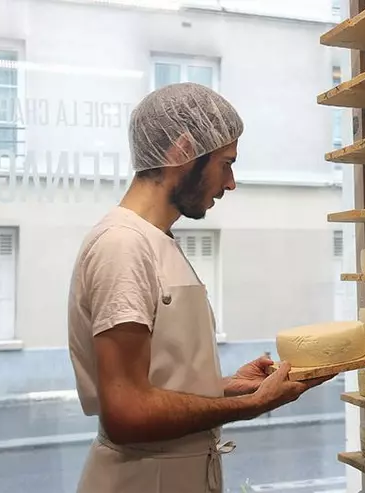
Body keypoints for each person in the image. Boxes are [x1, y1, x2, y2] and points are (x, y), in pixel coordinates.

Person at [67, 82, 331, 493]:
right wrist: (251, 405)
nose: (231, 183)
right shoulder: (122, 245)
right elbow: (126, 412)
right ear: (181, 151)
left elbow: (157, 381)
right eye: (226, 163)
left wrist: (226, 386)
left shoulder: (156, 240)